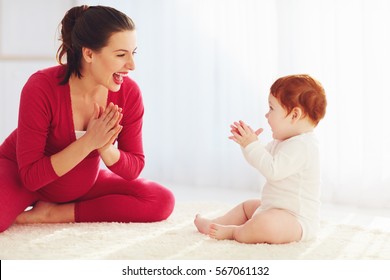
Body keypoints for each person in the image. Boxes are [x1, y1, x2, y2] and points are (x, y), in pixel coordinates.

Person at [0, 5, 175, 233]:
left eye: (134, 53)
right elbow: (31, 177)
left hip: (81, 183)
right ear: (89, 53)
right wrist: (89, 142)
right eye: (121, 55)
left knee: (160, 200)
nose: (132, 65)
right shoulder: (41, 87)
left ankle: (55, 213)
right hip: (22, 175)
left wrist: (105, 147)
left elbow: (134, 167)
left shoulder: (128, 93)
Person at [194, 74, 327, 244]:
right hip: (273, 208)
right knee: (247, 206)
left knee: (265, 224)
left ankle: (235, 232)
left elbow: (273, 170)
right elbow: (262, 160)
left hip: (296, 221)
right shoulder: (283, 141)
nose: (266, 115)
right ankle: (215, 223)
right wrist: (247, 144)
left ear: (294, 115)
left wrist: (252, 146)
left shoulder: (303, 146)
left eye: (271, 108)